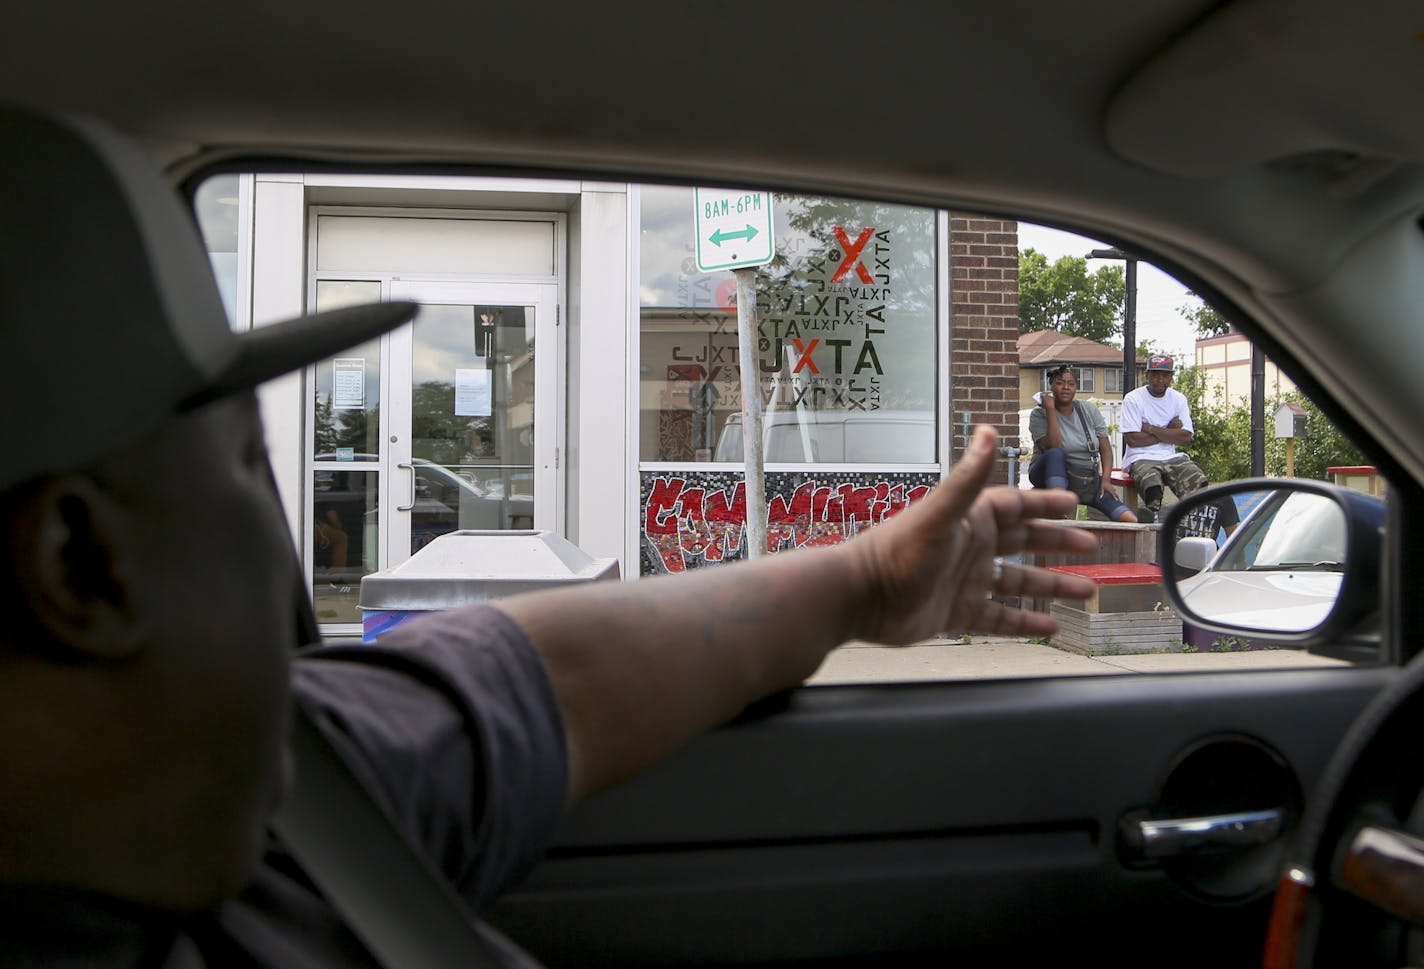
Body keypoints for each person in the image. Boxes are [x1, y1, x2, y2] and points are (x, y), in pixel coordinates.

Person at [0, 105, 1098, 966]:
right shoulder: (248, 788)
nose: (282, 512)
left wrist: (863, 579)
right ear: (82, 566)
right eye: (249, 462)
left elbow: (549, 679)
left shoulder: (291, 774)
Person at [1120, 354, 1239, 534]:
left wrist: (1150, 428)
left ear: (1171, 377)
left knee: (1199, 483)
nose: (1160, 380)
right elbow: (1133, 440)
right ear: (1147, 375)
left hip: (1172, 457)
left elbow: (1185, 437)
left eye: (1165, 375)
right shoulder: (1133, 398)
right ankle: (1150, 530)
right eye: (1155, 374)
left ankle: (1192, 528)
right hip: (1141, 457)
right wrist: (1169, 431)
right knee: (1152, 489)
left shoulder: (1178, 399)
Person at [1027, 365, 1137, 523]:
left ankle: (1139, 522)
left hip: (1085, 477)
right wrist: (1050, 409)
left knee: (1128, 519)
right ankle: (1058, 504)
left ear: (1076, 388)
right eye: (1059, 383)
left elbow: (1105, 448)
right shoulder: (1039, 414)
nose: (1066, 387)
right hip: (1048, 474)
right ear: (1050, 386)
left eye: (1071, 384)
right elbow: (1054, 445)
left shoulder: (1088, 410)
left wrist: (1106, 480)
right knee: (1056, 454)